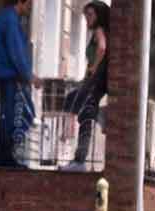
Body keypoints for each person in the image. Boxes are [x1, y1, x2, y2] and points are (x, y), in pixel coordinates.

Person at [0, 0, 36, 168]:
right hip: (9, 76)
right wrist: (29, 76)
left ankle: (6, 157)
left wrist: (29, 74)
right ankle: (6, 158)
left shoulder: (7, 17)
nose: (30, 7)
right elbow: (16, 52)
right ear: (20, 2)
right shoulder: (10, 18)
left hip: (7, 74)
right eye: (29, 3)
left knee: (11, 115)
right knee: (14, 116)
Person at [66, 1, 111, 167]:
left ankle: (79, 160)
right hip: (96, 81)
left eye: (90, 15)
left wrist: (93, 67)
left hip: (94, 80)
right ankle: (79, 157)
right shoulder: (104, 31)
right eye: (86, 15)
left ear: (99, 16)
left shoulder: (99, 30)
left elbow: (102, 48)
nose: (87, 18)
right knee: (82, 111)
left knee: (85, 116)